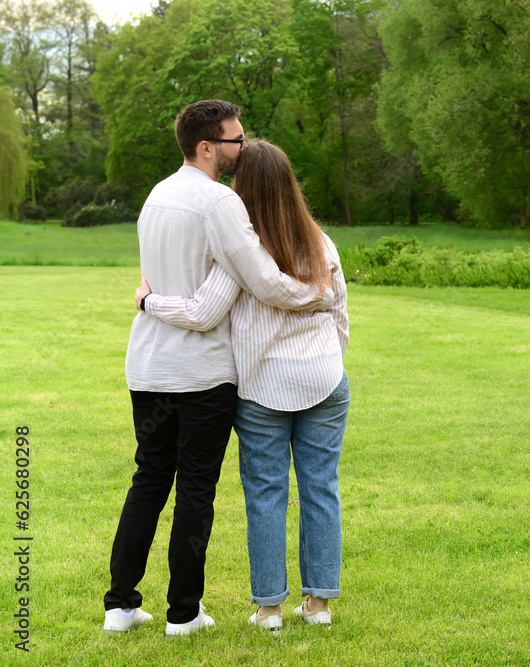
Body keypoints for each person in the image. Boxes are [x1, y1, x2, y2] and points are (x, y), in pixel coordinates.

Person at [104, 101, 335, 637]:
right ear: (207, 146)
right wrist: (318, 296)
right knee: (195, 492)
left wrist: (147, 301)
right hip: (201, 375)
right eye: (235, 140)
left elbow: (159, 277)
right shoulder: (220, 204)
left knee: (149, 480)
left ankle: (120, 604)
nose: (243, 148)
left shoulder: (156, 195)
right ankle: (183, 614)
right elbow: (258, 286)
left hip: (148, 367)